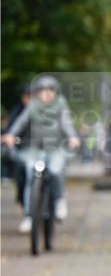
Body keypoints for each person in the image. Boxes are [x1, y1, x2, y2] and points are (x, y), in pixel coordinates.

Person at [2, 76, 80, 231]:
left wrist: (72, 137)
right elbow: (21, 121)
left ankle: (59, 201)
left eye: (50, 90)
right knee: (31, 176)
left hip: (55, 148)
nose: (46, 94)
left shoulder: (61, 105)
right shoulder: (33, 106)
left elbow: (66, 123)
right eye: (43, 90)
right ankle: (29, 216)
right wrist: (10, 134)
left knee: (55, 170)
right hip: (35, 149)